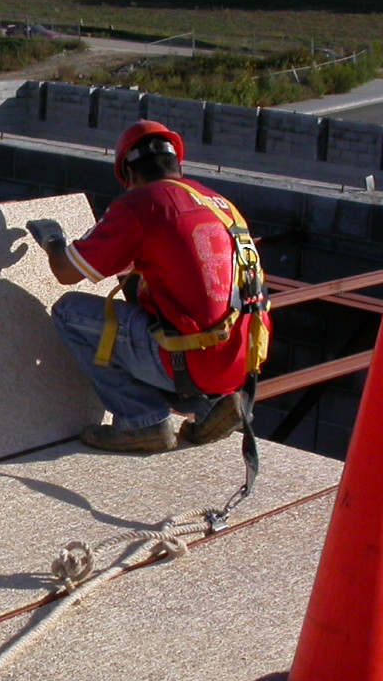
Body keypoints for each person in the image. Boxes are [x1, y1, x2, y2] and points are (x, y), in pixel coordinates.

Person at [26, 120, 266, 454]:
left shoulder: (143, 203)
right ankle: (216, 407)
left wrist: (53, 240)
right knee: (145, 296)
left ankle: (142, 422)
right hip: (243, 359)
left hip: (194, 357)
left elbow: (67, 272)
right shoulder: (218, 203)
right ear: (177, 164)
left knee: (69, 312)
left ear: (129, 174)